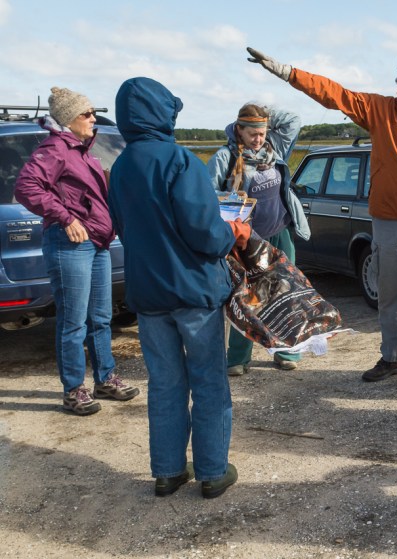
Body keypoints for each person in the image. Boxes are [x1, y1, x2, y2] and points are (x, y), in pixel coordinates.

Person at [246, 47, 397, 391]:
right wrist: (286, 71)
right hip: (387, 222)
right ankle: (392, 358)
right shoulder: (380, 110)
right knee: (388, 294)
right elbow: (334, 94)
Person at [109, 77, 248, 498]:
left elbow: (122, 227)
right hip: (194, 292)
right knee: (208, 380)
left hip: (148, 294)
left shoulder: (119, 166)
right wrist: (232, 233)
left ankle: (168, 471)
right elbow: (206, 235)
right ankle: (211, 471)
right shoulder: (180, 161)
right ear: (163, 113)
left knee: (165, 384)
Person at [14, 86, 139, 416]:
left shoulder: (81, 149)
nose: (92, 118)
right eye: (86, 113)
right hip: (69, 245)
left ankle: (105, 379)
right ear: (68, 119)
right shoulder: (55, 148)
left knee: (100, 317)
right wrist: (65, 216)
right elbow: (26, 186)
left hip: (97, 243)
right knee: (72, 322)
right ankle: (73, 390)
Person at [207, 103, 310, 376]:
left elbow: (293, 119)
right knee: (246, 297)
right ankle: (238, 358)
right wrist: (230, 203)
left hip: (281, 232)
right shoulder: (223, 157)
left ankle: (286, 350)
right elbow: (207, 197)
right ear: (238, 130)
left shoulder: (275, 148)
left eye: (262, 132)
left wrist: (266, 112)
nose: (258, 138)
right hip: (247, 240)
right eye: (252, 132)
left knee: (285, 292)